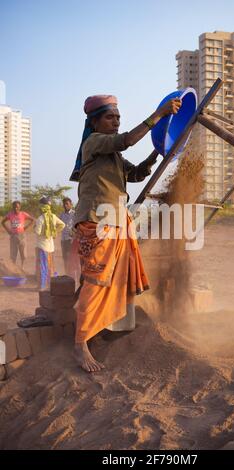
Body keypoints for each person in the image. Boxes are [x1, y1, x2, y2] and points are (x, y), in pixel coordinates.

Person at [71, 93, 182, 373]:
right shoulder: (94, 142)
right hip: (97, 222)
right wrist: (159, 114)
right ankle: (80, 343)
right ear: (95, 122)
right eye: (110, 117)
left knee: (118, 280)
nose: (116, 121)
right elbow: (127, 140)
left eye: (118, 117)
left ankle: (108, 328)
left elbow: (136, 174)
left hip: (118, 223)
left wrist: (158, 151)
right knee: (96, 282)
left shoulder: (114, 156)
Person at [35, 196, 65, 290]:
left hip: (42, 246)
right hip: (50, 247)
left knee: (42, 266)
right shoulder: (53, 216)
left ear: (41, 206)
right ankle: (50, 286)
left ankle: (42, 286)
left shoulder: (40, 219)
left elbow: (37, 232)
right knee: (50, 266)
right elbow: (62, 225)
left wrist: (34, 228)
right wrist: (54, 231)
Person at [1, 201, 34, 269]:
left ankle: (22, 267)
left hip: (22, 235)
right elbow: (3, 222)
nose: (16, 208)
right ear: (12, 207)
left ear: (20, 207)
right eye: (14, 207)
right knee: (13, 253)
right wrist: (8, 230)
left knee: (23, 253)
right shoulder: (10, 214)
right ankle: (14, 267)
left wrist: (26, 227)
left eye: (17, 207)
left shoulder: (23, 214)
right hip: (13, 236)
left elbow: (32, 220)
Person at [59, 197, 76, 275]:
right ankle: (67, 274)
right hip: (63, 240)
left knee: (71, 258)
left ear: (71, 205)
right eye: (64, 204)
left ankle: (72, 275)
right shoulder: (61, 215)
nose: (65, 206)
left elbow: (77, 225)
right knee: (64, 258)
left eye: (67, 204)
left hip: (71, 240)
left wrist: (74, 233)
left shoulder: (74, 214)